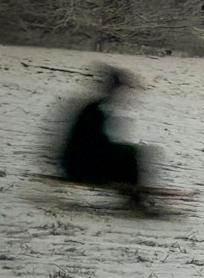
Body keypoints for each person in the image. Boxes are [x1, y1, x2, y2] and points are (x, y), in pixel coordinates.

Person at [56, 65, 152, 214]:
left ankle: (133, 196)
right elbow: (90, 145)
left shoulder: (96, 108)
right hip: (79, 167)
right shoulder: (95, 111)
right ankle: (133, 199)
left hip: (79, 163)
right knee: (130, 154)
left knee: (128, 152)